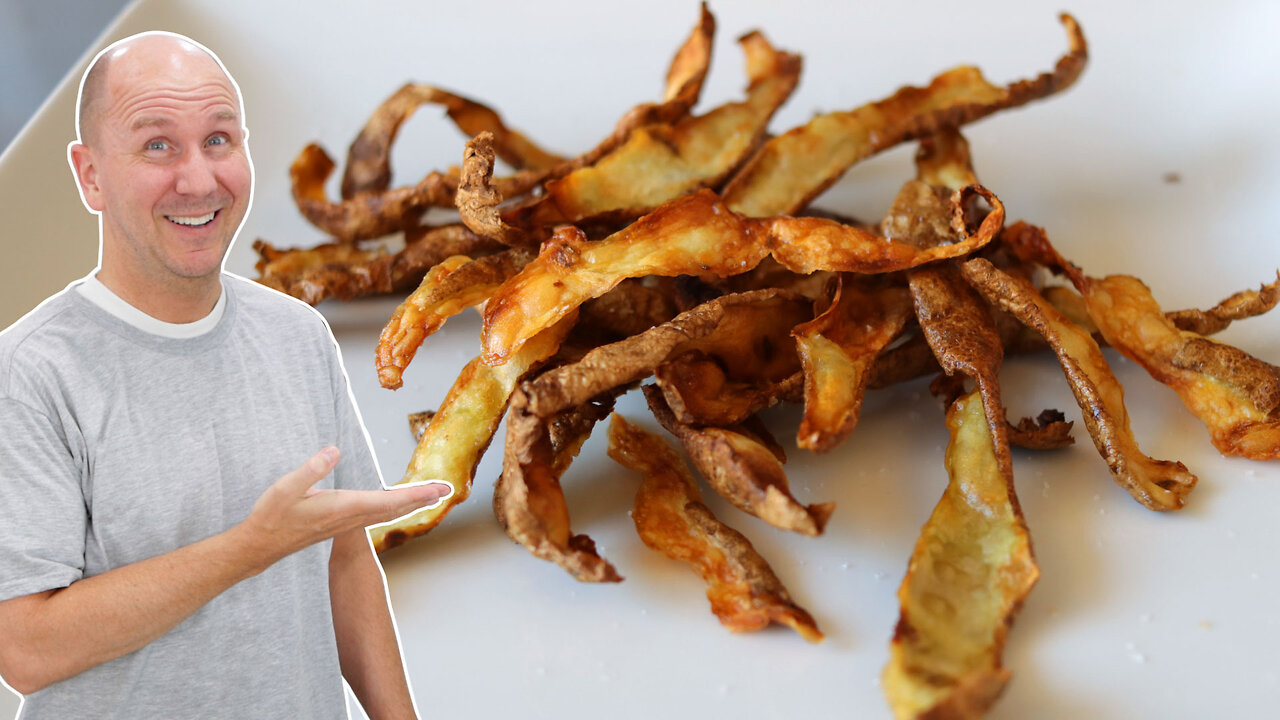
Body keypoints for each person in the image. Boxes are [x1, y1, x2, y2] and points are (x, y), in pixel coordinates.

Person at [0, 31, 450, 719]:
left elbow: (345, 561)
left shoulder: (299, 335)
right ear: (89, 174)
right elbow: (27, 651)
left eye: (218, 140)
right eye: (158, 145)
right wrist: (249, 549)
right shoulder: (31, 372)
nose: (199, 180)